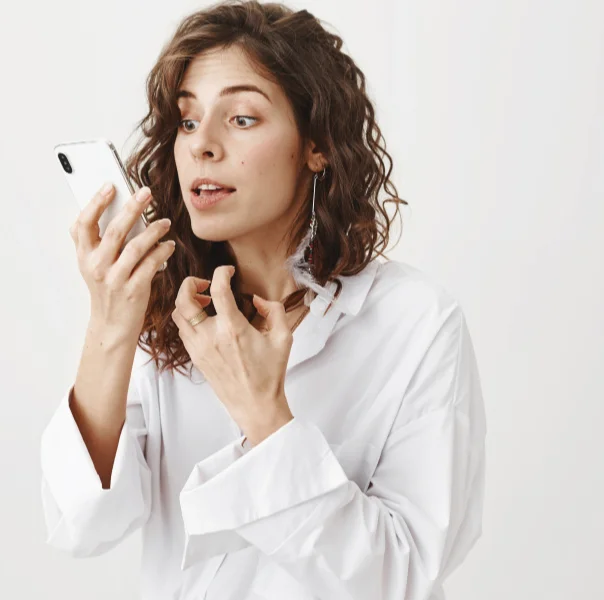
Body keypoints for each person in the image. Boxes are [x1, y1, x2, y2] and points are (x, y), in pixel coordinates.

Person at [40, 1, 487, 598]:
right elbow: (81, 524)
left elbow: (403, 578)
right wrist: (110, 324)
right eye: (188, 121)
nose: (202, 145)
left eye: (242, 118)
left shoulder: (417, 323)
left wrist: (265, 415)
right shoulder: (166, 311)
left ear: (316, 145)